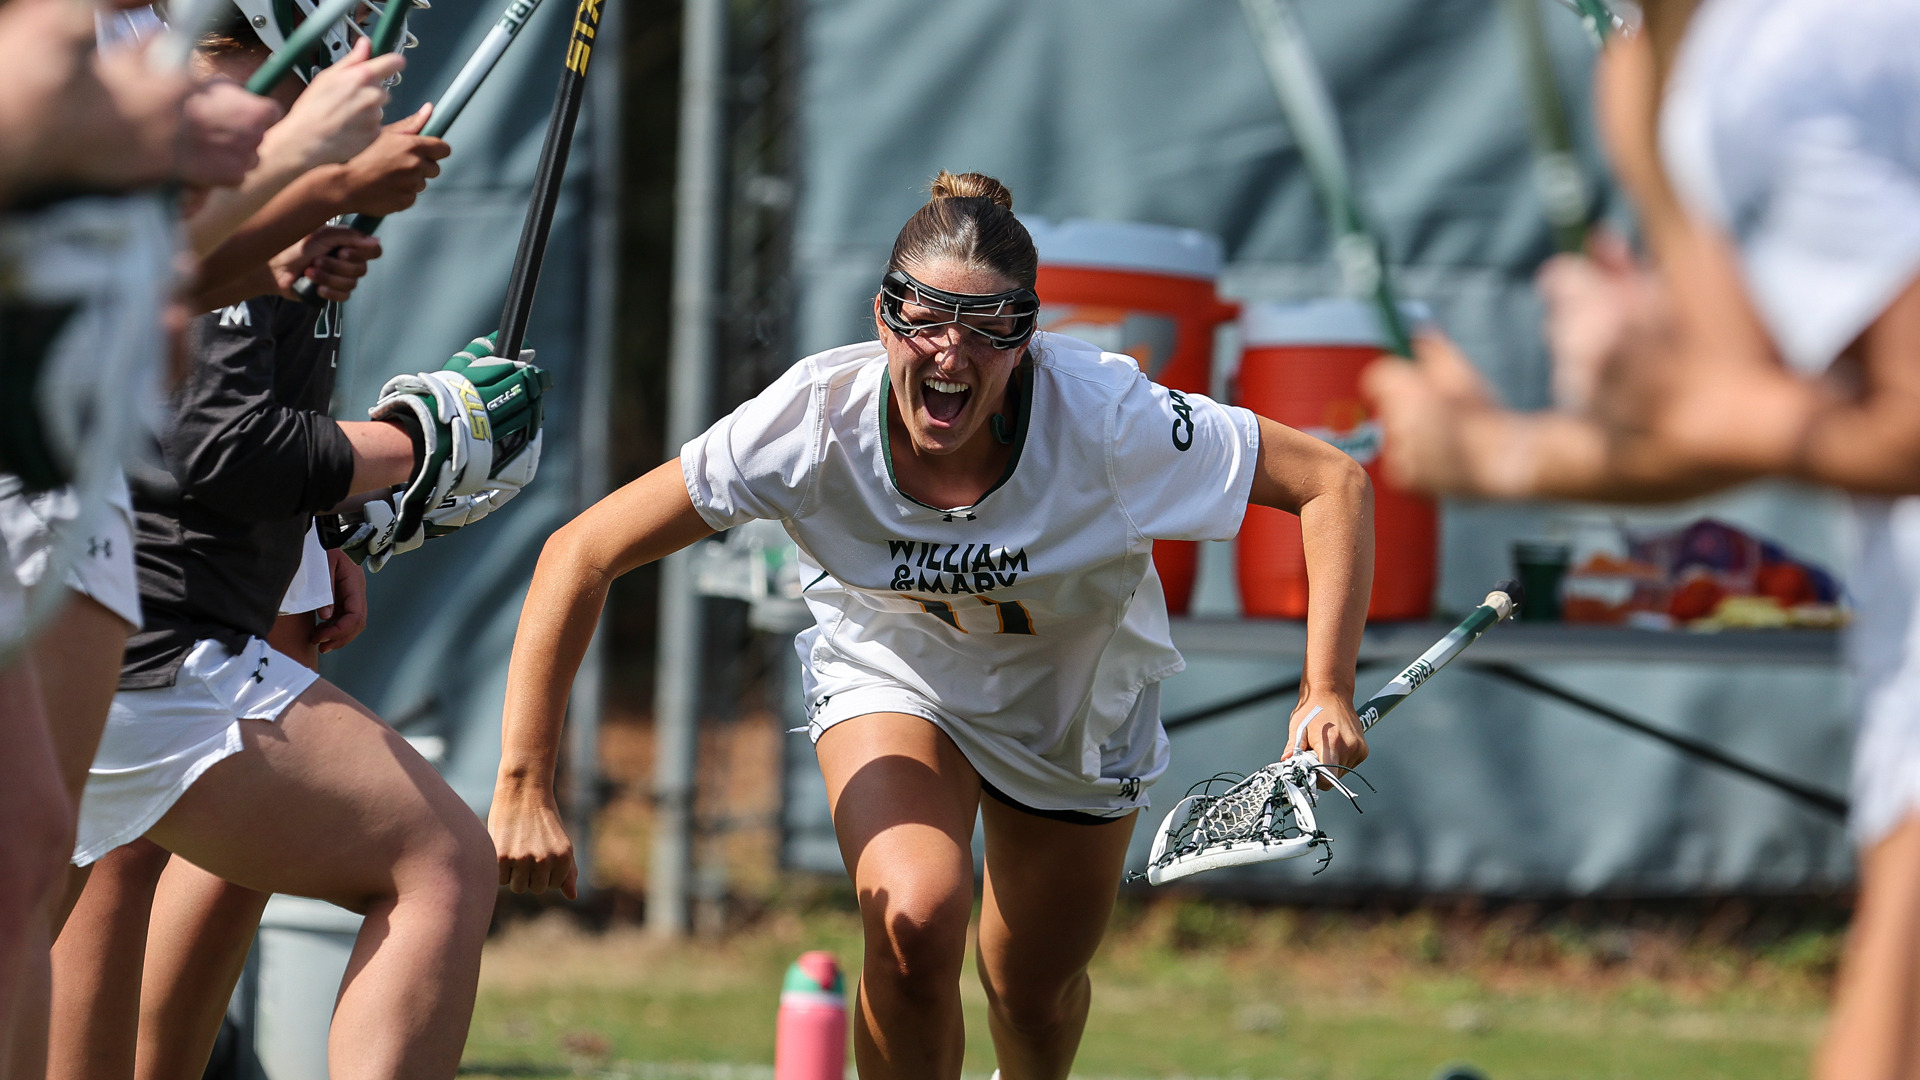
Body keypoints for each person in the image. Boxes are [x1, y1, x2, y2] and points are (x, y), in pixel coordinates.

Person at [489, 171, 1375, 1080]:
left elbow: (1330, 483)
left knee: (1031, 994)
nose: (951, 353)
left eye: (989, 327)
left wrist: (1325, 690)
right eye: (924, 317)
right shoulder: (809, 423)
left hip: (1073, 714)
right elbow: (580, 552)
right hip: (891, 676)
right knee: (915, 918)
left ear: (1026, 339)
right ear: (882, 318)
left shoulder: (1112, 418)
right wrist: (522, 777)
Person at [1362, 1, 1920, 1076]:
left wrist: (1696, 399)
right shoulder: (1655, 70)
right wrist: (1500, 453)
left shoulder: (1804, 51)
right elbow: (1773, 409)